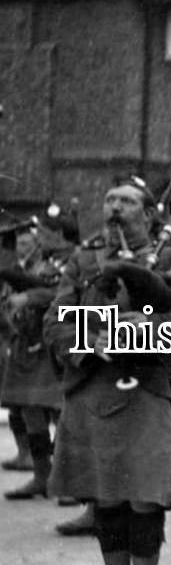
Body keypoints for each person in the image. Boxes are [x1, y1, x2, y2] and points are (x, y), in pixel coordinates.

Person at [45, 176, 171, 565]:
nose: (115, 207)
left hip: (148, 384)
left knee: (143, 494)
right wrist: (85, 338)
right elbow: (55, 318)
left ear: (150, 213)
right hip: (94, 384)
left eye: (127, 201)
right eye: (110, 198)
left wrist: (155, 326)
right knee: (106, 491)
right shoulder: (86, 258)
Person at [2, 213, 73, 501]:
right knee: (29, 411)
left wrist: (28, 298)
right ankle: (41, 476)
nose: (25, 247)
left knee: (61, 413)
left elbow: (59, 294)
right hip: (23, 343)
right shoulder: (21, 267)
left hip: (48, 346)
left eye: (32, 239)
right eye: (19, 243)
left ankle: (66, 480)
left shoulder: (60, 264)